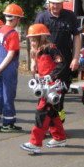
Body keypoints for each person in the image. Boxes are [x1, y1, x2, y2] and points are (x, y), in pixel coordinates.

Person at [35, 0, 81, 122]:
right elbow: (34, 40)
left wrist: (76, 58)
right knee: (43, 96)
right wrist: (34, 63)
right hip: (44, 66)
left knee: (59, 95)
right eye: (53, 3)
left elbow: (77, 37)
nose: (55, 6)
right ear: (48, 2)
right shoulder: (41, 17)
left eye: (58, 3)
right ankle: (42, 126)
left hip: (63, 64)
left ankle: (58, 125)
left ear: (63, 2)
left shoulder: (70, 16)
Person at [20, 24, 67, 154]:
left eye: (34, 39)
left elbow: (61, 63)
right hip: (45, 87)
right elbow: (36, 69)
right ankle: (60, 138)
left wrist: (50, 76)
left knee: (41, 113)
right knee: (52, 114)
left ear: (41, 37)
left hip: (52, 87)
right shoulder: (38, 50)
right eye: (30, 39)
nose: (31, 42)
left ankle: (35, 143)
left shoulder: (51, 48)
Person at [0, 4, 23, 133]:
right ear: (16, 18)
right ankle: (8, 123)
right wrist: (1, 68)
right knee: (8, 95)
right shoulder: (13, 33)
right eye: (19, 18)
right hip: (7, 68)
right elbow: (11, 53)